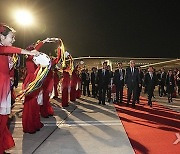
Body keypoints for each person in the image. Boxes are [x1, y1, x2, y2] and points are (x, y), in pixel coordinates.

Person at [0, 23, 39, 154]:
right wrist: (28, 51)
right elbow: (8, 50)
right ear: (1, 37)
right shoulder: (3, 49)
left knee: (3, 119)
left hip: (5, 87)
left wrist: (10, 79)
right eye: (11, 37)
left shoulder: (7, 54)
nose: (13, 40)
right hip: (1, 87)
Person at [22, 39, 50, 134]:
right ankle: (29, 126)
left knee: (35, 105)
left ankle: (35, 123)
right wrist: (43, 42)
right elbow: (35, 50)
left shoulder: (34, 59)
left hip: (35, 79)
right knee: (31, 105)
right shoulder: (30, 56)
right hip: (31, 80)